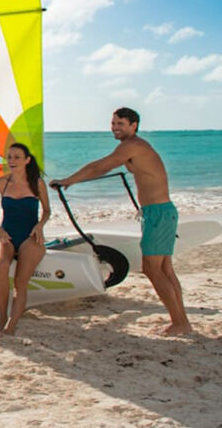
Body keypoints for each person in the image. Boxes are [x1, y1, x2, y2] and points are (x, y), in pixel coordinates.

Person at [50, 107, 190, 336]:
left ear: (133, 125)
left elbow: (100, 166)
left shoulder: (132, 146)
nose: (115, 127)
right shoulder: (132, 146)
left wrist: (69, 180)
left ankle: (180, 322)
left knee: (152, 270)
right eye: (113, 123)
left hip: (159, 214)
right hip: (157, 213)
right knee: (165, 269)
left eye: (120, 124)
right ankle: (181, 321)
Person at [0, 143, 51, 334]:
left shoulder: (37, 183)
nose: (12, 161)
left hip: (30, 237)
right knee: (2, 267)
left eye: (17, 157)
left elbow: (46, 210)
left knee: (20, 282)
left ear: (27, 160)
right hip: (7, 235)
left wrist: (40, 226)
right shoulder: (1, 183)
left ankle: (12, 324)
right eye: (9, 157)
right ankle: (2, 316)